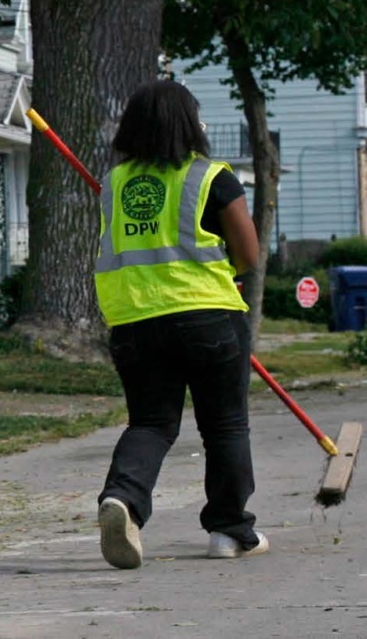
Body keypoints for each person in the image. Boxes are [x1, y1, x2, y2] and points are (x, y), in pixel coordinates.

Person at [94, 80, 266, 569]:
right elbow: (248, 256)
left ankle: (123, 500)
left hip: (134, 321)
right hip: (207, 316)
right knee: (225, 425)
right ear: (192, 125)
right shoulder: (213, 176)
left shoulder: (115, 183)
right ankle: (229, 532)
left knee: (150, 423)